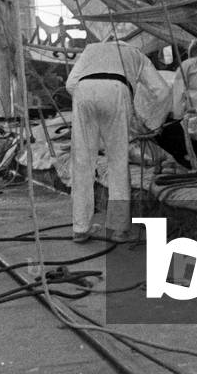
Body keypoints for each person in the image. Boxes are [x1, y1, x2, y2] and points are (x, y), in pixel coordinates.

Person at [65, 35, 170, 243]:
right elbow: (162, 90)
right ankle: (119, 228)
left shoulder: (91, 49)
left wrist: (87, 99)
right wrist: (152, 124)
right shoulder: (135, 54)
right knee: (117, 161)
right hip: (117, 90)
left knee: (82, 162)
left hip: (83, 90)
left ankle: (80, 228)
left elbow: (70, 84)